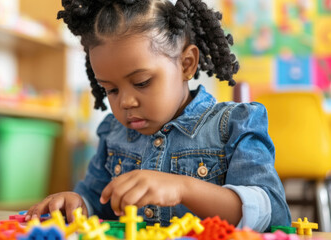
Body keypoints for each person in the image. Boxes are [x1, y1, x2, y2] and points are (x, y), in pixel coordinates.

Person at [26, 0, 291, 232]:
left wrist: (183, 188)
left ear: (186, 64)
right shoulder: (114, 134)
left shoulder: (233, 125)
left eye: (141, 82)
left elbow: (273, 213)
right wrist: (76, 203)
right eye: (111, 90)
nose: (126, 102)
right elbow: (96, 203)